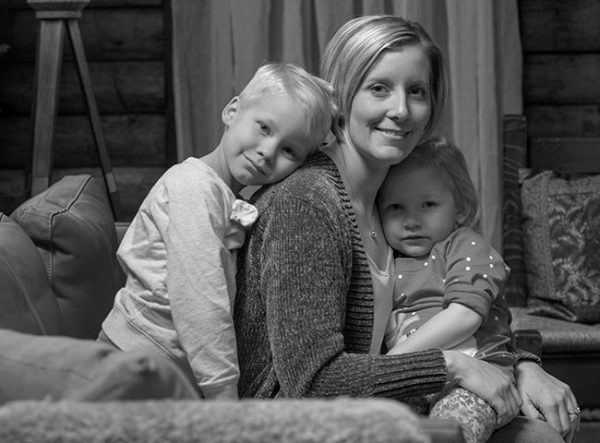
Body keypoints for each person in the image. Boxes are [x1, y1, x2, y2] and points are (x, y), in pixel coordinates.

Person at [233, 14, 579, 442]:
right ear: (341, 94)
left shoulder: (387, 202)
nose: (400, 110)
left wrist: (521, 364)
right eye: (379, 88)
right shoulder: (308, 203)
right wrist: (455, 365)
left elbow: (440, 302)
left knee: (542, 433)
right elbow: (312, 381)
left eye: (416, 91)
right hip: (291, 425)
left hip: (376, 408)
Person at [98, 62, 334, 400]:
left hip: (166, 369)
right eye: (264, 127)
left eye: (289, 150)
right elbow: (200, 297)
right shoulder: (195, 188)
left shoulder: (225, 196)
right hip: (135, 364)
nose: (268, 152)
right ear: (232, 111)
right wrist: (224, 395)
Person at [378, 137, 515, 443]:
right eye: (396, 207)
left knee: (453, 426)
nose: (411, 220)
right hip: (412, 383)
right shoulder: (386, 261)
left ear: (461, 210)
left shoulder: (464, 245)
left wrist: (390, 364)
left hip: (475, 381)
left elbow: (465, 316)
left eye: (428, 204)